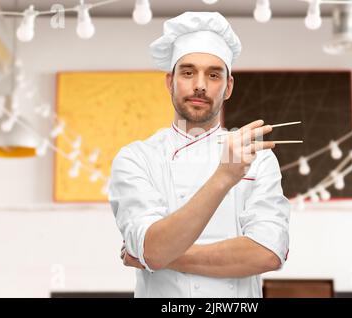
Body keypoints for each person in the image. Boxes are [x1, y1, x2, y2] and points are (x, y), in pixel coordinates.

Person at [109, 11, 290, 298]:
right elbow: (153, 248)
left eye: (214, 74)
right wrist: (224, 177)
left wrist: (159, 257)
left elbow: (267, 253)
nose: (200, 85)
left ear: (228, 87)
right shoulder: (136, 158)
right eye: (188, 72)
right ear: (170, 82)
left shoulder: (257, 156)